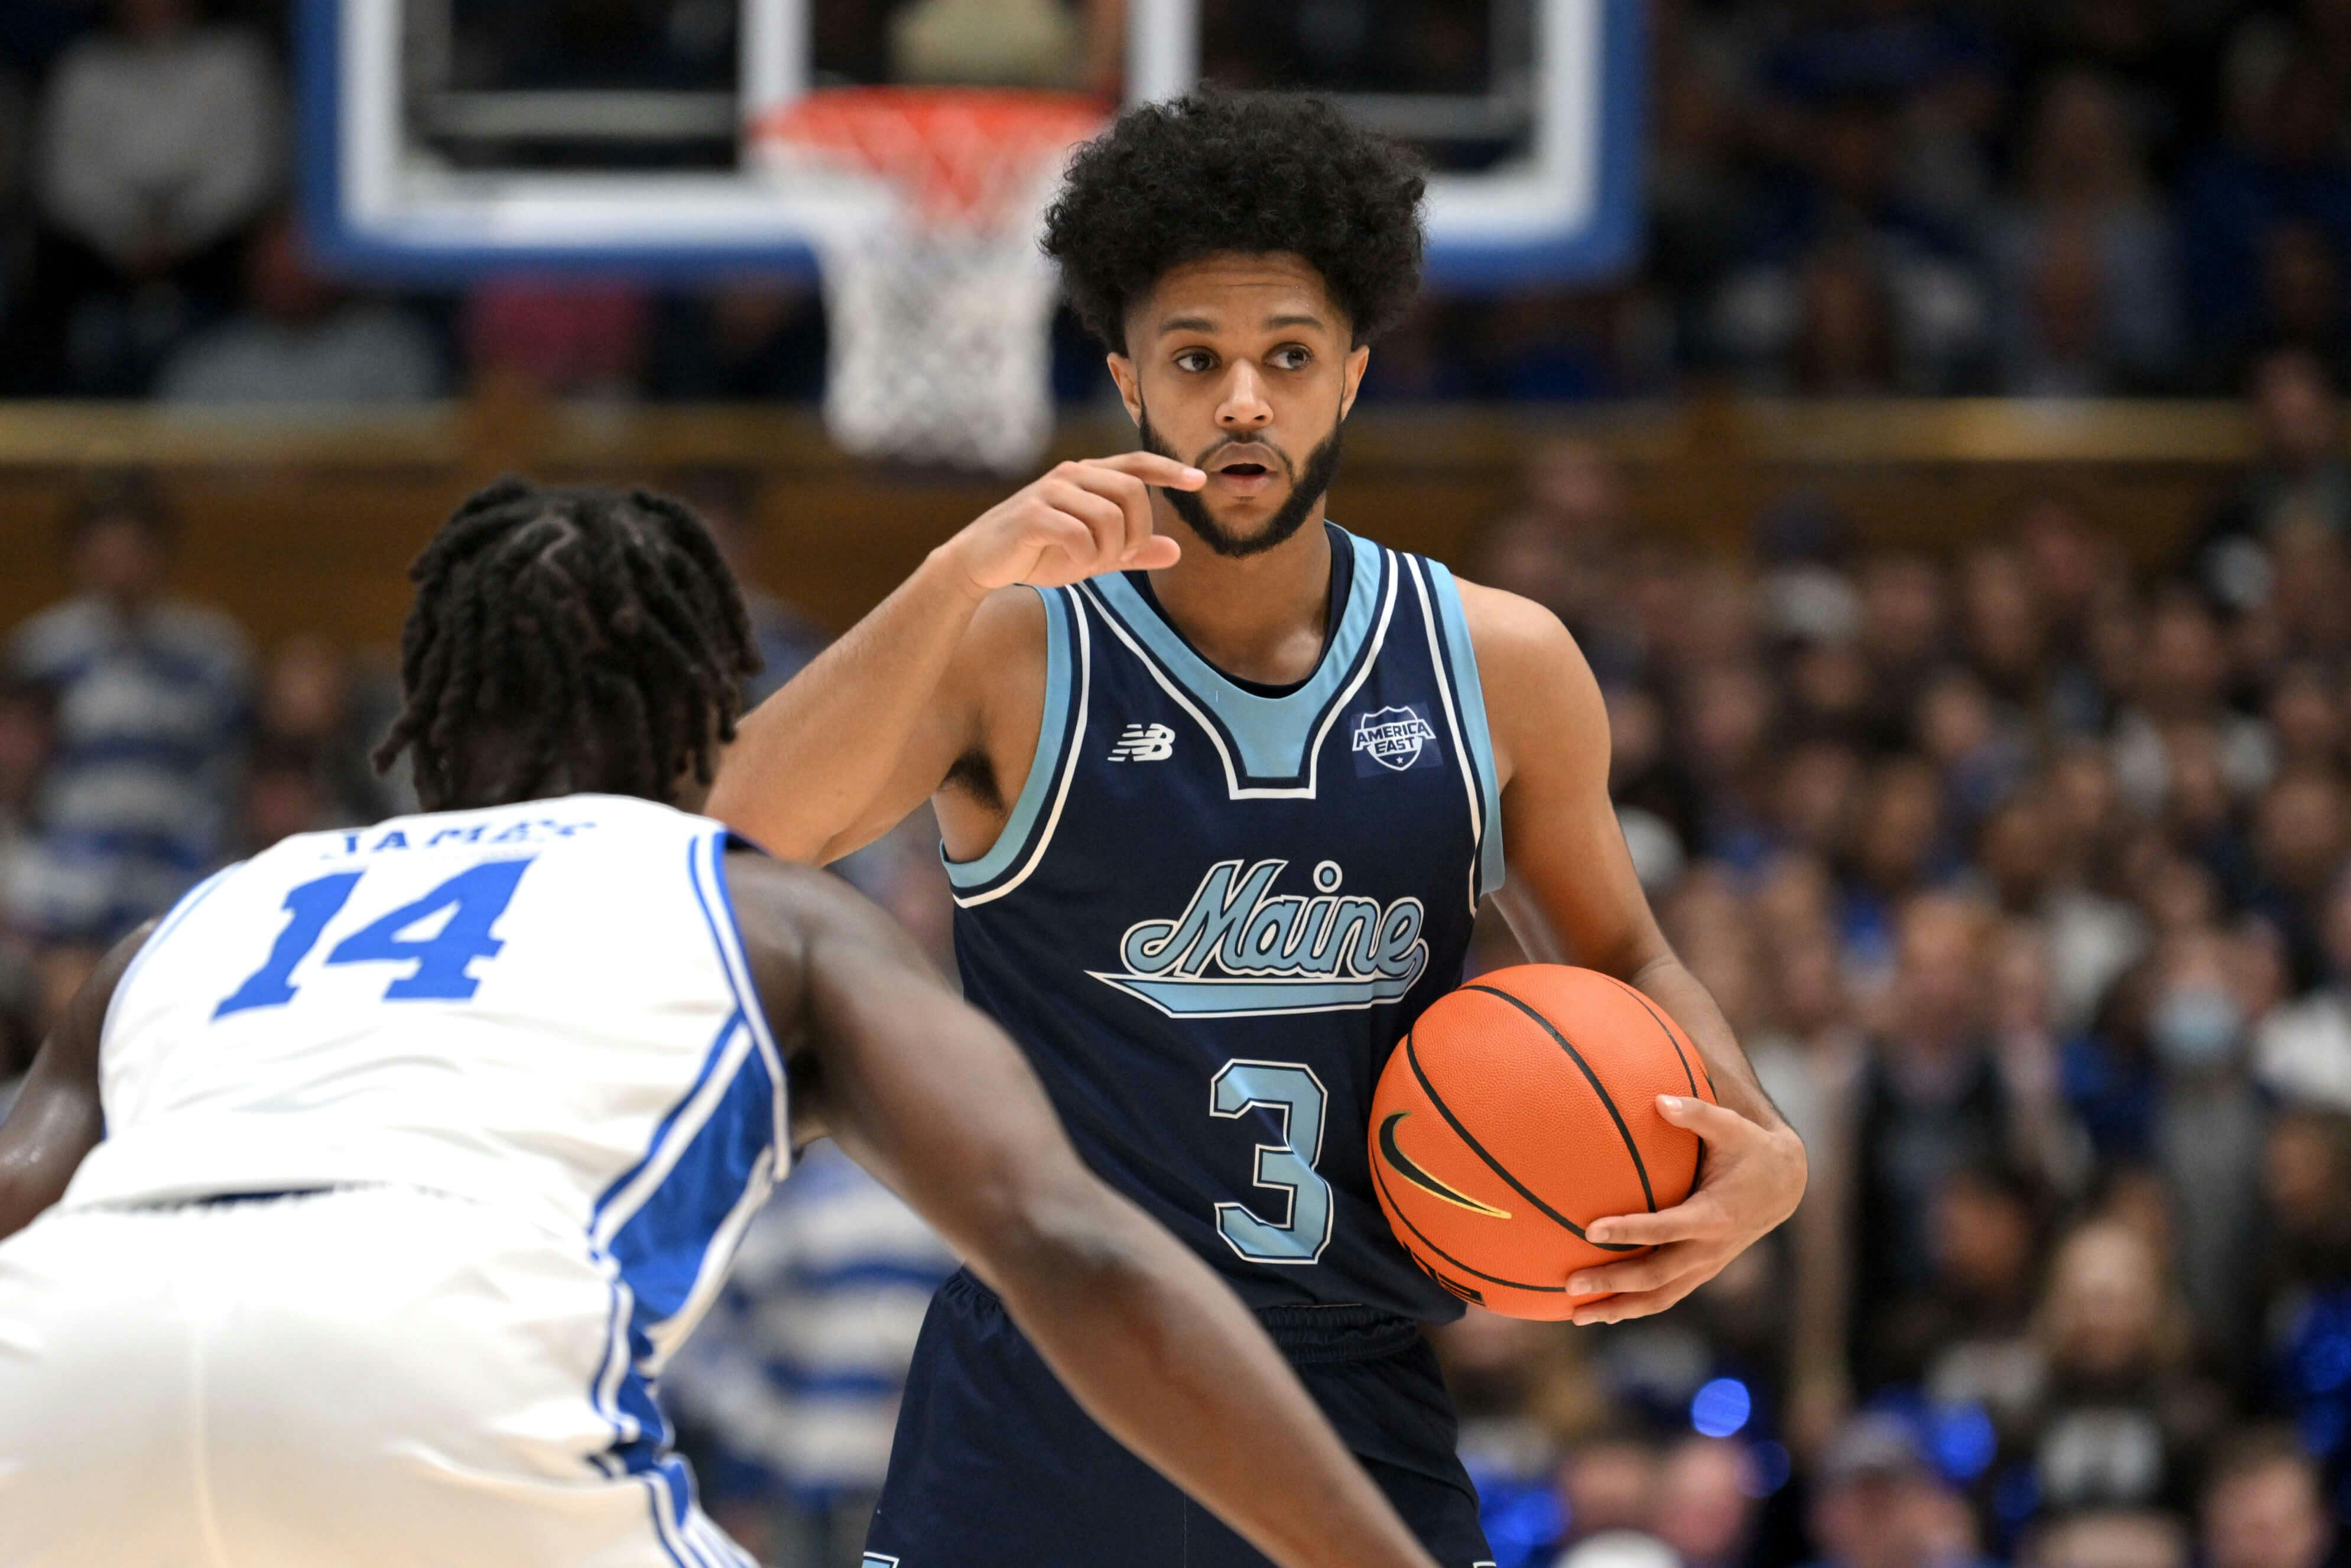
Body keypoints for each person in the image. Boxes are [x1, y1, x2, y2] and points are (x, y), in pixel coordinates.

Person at [707, 91, 1808, 1566]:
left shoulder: (1501, 663)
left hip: (1349, 1387)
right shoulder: (1013, 651)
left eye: (1287, 358)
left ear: (1349, 379)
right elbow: (728, 836)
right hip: (1044, 1372)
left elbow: (1625, 955)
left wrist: (1762, 1147)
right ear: (1128, 382)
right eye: (1197, 359)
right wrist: (955, 570)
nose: (1242, 400)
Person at [0, 479, 1449, 1568]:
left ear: (430, 721)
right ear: (707, 720)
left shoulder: (190, 923)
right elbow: (1065, 1242)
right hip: (436, 1358)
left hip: (45, 1385)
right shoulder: (753, 904)